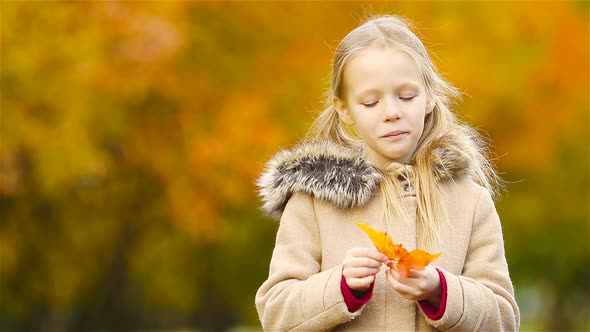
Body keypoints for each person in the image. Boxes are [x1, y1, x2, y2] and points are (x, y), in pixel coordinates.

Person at [255, 14, 520, 331]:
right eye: (370, 102)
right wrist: (340, 286)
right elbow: (275, 312)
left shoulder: (469, 200)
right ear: (344, 109)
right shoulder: (313, 201)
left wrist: (440, 291)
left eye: (407, 96)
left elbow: (504, 317)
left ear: (429, 95)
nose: (392, 113)